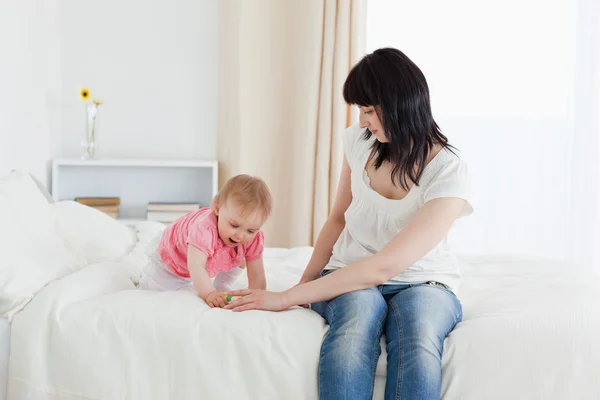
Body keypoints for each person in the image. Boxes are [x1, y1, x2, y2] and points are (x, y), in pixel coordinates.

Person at [225, 47, 474, 399]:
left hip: (425, 280)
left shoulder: (449, 170)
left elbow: (384, 267)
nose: (362, 121)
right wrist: (305, 285)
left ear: (400, 103)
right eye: (361, 110)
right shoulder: (359, 142)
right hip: (349, 269)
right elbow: (338, 218)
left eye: (369, 110)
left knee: (418, 336)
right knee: (356, 323)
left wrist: (284, 297)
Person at [138, 174, 273, 308]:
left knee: (242, 254)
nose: (240, 236)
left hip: (207, 253)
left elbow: (257, 273)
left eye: (250, 230)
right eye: (234, 225)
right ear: (217, 208)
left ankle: (222, 284)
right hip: (176, 256)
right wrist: (209, 294)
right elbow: (196, 266)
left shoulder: (252, 238)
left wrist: (257, 297)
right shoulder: (204, 229)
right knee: (159, 287)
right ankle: (142, 280)